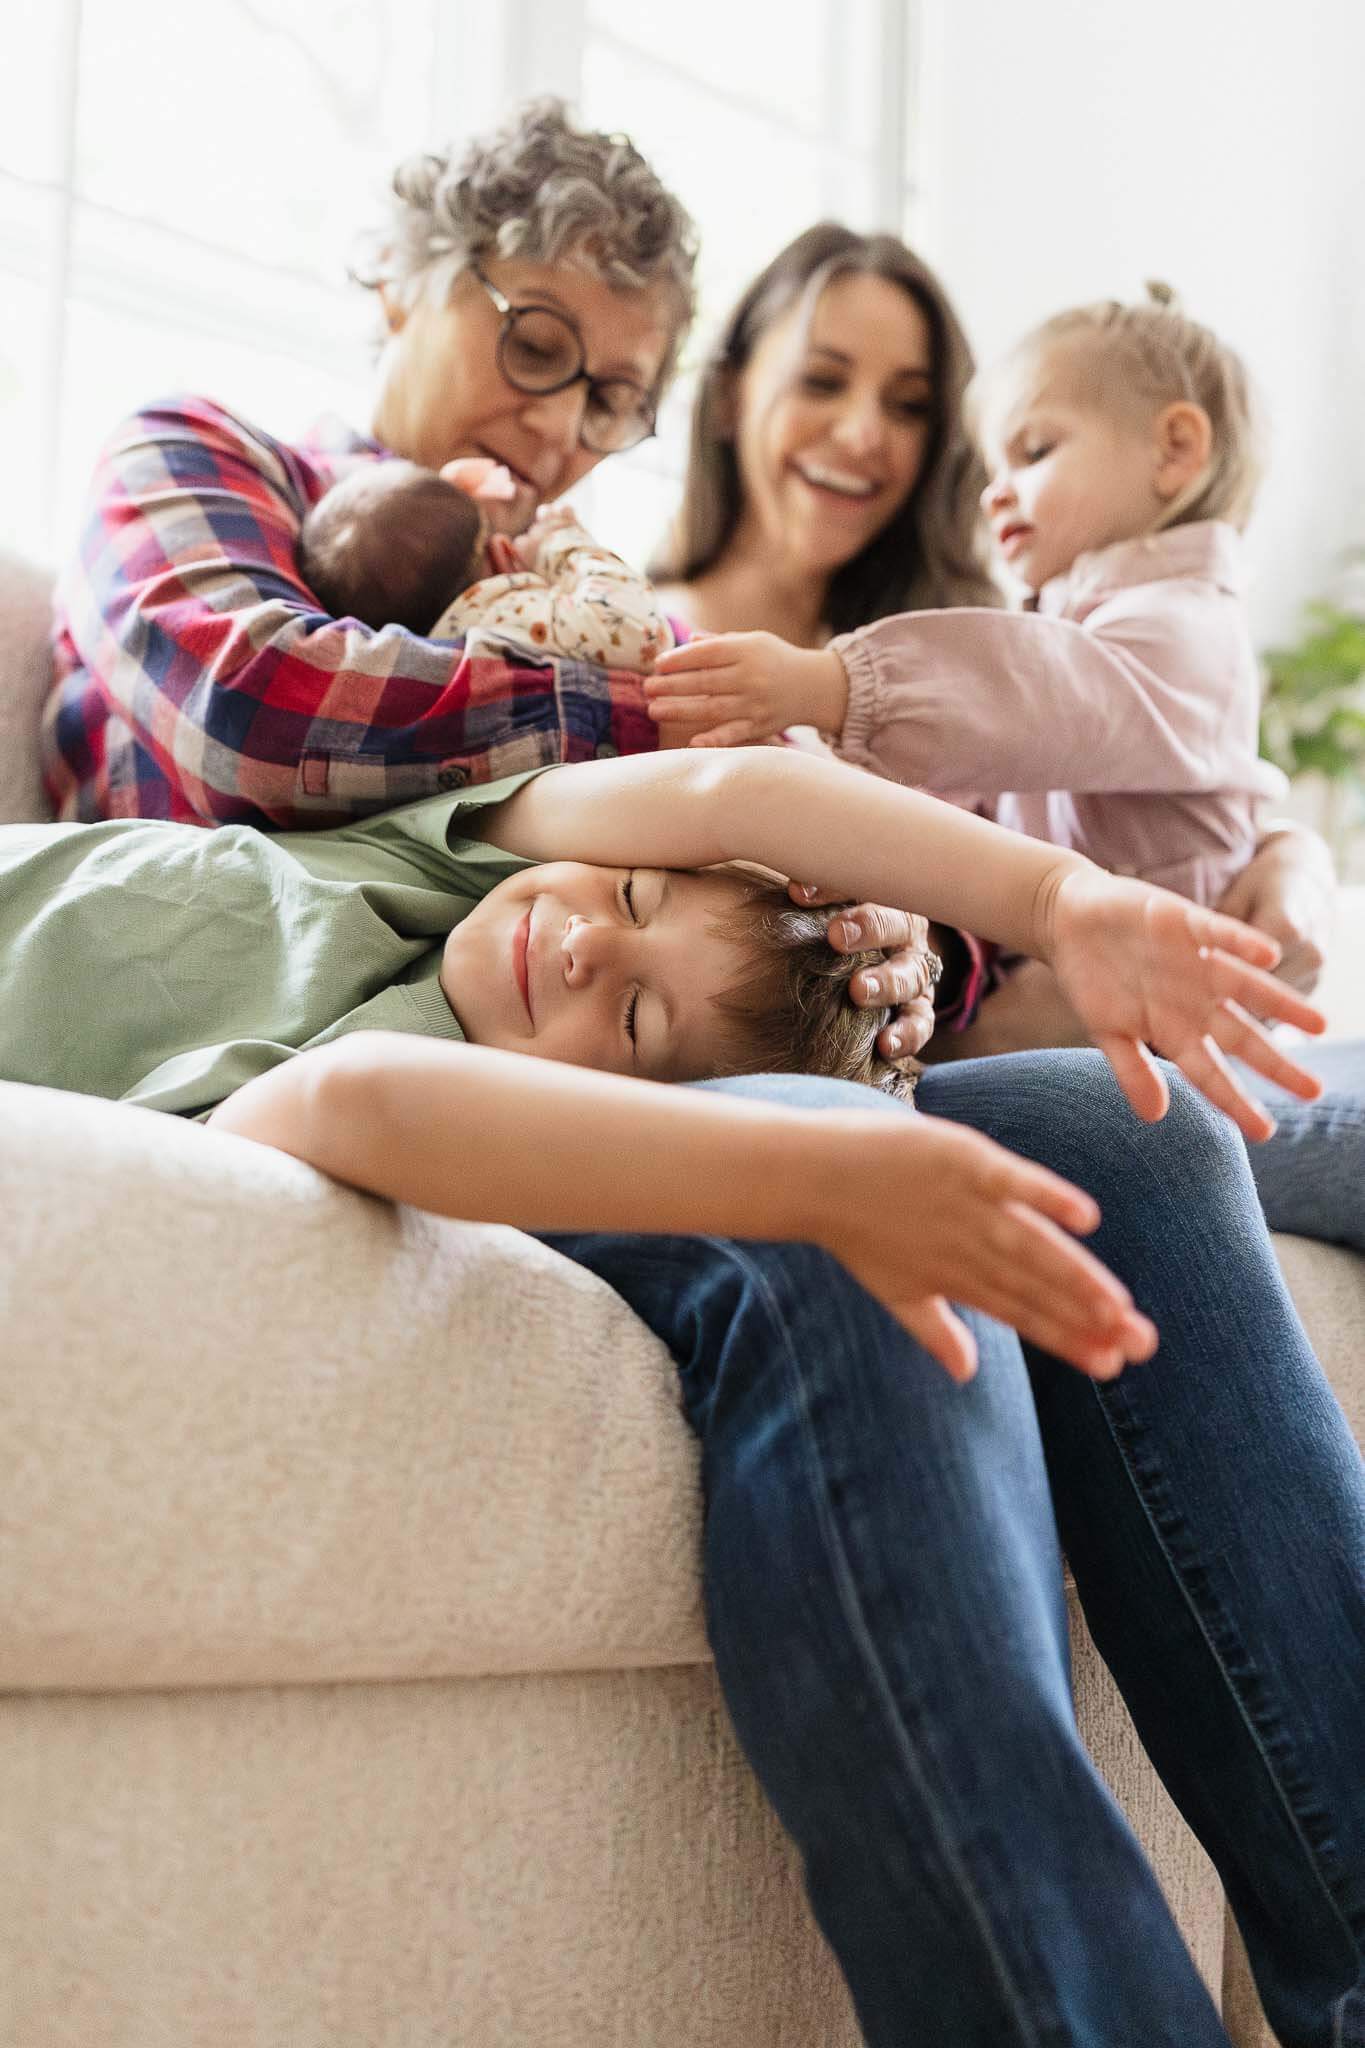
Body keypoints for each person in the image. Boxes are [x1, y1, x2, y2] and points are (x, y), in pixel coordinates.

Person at [649, 223, 1364, 1251]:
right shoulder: (631, 639)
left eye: (909, 405)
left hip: (1119, 1039)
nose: (864, 434)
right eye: (823, 379)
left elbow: (1087, 708)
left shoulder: (996, 641)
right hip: (974, 1054)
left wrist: (1293, 859)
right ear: (728, 392)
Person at [648, 283, 1279, 908]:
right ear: (729, 391)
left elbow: (1030, 694)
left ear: (1174, 451)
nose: (993, 493)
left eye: (1033, 452)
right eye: (822, 380)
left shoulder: (1179, 631)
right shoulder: (1069, 631)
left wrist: (826, 686)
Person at [299, 456, 675, 668]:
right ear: (503, 555)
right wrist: (562, 542)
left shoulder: (437, 653)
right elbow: (639, 632)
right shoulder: (504, 615)